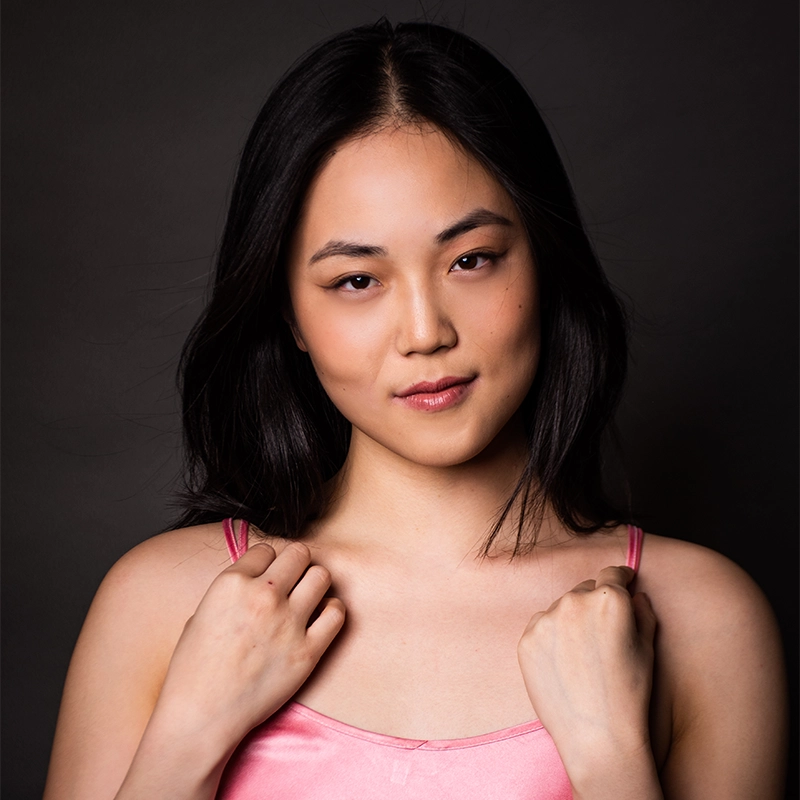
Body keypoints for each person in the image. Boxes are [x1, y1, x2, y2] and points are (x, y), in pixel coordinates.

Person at [43, 19, 787, 800]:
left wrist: (611, 763)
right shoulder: (161, 605)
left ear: (544, 261)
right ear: (290, 314)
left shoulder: (704, 620)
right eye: (357, 280)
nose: (426, 333)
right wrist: (186, 739)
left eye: (471, 260)